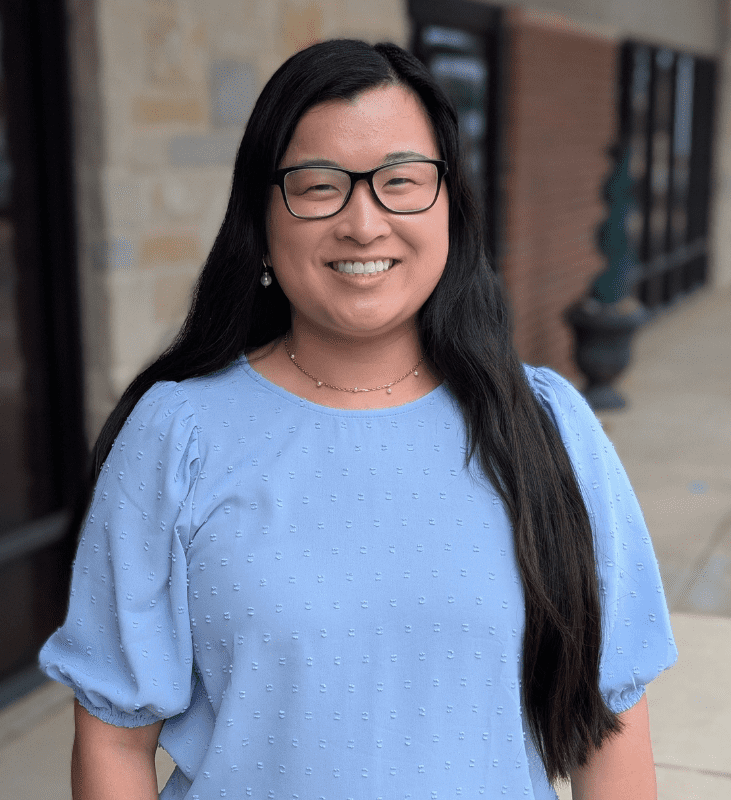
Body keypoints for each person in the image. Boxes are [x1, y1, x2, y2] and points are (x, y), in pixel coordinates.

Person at [40, 39, 677, 800]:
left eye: (401, 181)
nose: (364, 223)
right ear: (261, 220)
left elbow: (610, 722)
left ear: (450, 207)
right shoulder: (177, 436)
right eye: (319, 187)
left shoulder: (547, 427)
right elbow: (114, 740)